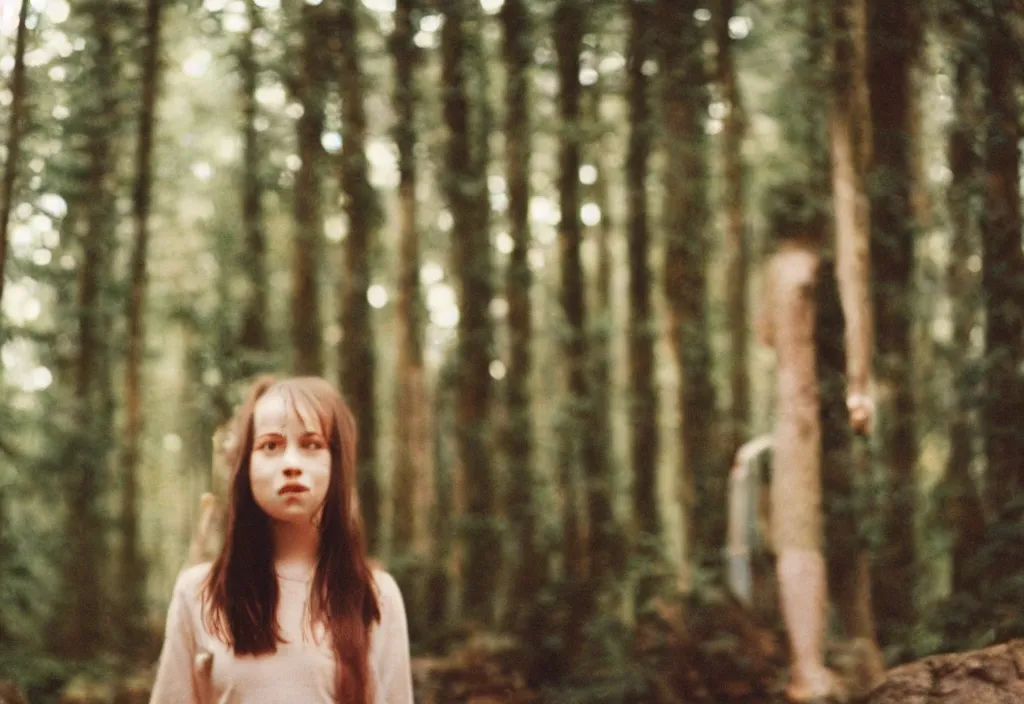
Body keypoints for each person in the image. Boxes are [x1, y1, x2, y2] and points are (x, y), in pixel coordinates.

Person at [150, 376, 414, 704]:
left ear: (336, 463)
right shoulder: (198, 593)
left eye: (312, 444)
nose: (291, 464)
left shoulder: (376, 594)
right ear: (246, 466)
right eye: (270, 446)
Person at [755, 186, 842, 702]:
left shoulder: (788, 270)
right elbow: (776, 334)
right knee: (799, 542)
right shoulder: (801, 270)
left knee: (805, 542)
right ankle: (807, 669)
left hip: (806, 411)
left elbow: (768, 332)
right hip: (803, 412)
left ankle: (811, 666)